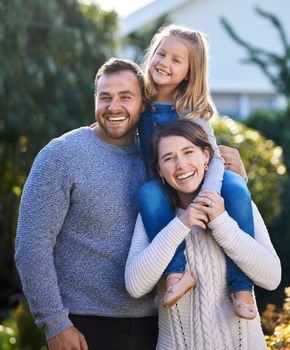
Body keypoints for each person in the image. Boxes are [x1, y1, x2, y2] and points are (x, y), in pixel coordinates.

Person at [15, 58, 159, 350]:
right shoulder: (62, 155)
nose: (113, 106)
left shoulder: (159, 157)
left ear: (143, 102)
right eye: (105, 97)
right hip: (83, 328)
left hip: (157, 328)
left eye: (125, 97)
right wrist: (55, 324)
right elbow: (31, 246)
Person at [125, 119, 281, 350]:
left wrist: (221, 222)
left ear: (206, 157)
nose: (181, 165)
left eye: (189, 152)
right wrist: (181, 224)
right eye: (169, 158)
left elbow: (271, 278)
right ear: (159, 170)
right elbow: (135, 286)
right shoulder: (152, 217)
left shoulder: (237, 207)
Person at [137, 24, 256, 316]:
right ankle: (177, 274)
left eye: (176, 60)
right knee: (148, 194)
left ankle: (241, 285)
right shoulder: (140, 101)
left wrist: (210, 194)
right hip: (165, 183)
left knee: (237, 188)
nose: (164, 63)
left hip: (200, 182)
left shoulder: (191, 110)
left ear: (189, 72)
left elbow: (214, 159)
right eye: (161, 54)